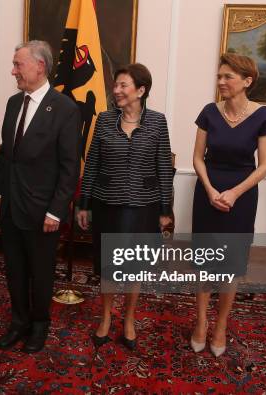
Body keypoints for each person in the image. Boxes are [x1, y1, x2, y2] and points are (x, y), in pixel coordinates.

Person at [0, 40, 81, 354]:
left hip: (43, 211)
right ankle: (19, 322)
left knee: (40, 273)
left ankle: (40, 325)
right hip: (11, 205)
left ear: (39, 66)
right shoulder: (14, 103)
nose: (13, 70)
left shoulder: (66, 109)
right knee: (14, 269)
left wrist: (57, 211)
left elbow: (70, 167)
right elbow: (6, 156)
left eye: (18, 64)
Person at [77, 63, 174, 351]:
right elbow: (92, 163)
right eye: (115, 85)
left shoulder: (158, 121)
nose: (116, 90)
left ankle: (129, 319)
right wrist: (84, 204)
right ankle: (106, 317)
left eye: (123, 85)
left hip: (144, 207)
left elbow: (163, 168)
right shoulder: (105, 120)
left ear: (141, 90)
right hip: (107, 204)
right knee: (108, 267)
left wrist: (166, 210)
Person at [190, 53, 266, 357]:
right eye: (219, 76)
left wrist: (234, 193)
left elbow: (264, 165)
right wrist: (211, 189)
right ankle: (201, 323)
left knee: (230, 267)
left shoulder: (263, 115)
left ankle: (221, 326)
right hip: (207, 194)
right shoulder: (208, 112)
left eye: (227, 77)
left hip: (240, 198)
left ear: (247, 81)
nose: (221, 82)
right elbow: (198, 157)